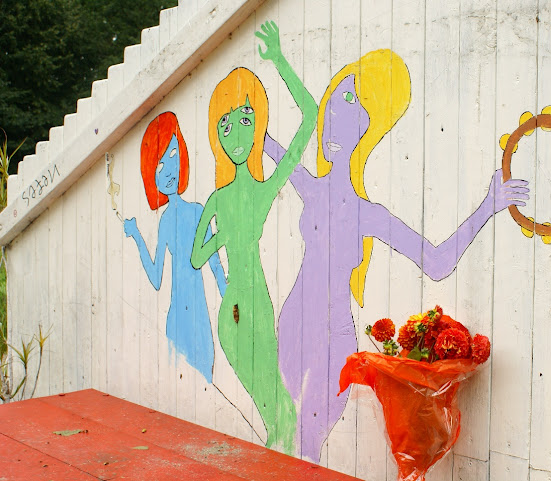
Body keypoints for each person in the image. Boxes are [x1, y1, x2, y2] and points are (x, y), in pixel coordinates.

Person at [263, 49, 530, 461]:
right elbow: (271, 146)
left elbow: (436, 262)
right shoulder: (312, 188)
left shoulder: (368, 214)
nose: (333, 115)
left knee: (309, 445)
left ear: (367, 127)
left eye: (350, 102)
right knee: (279, 433)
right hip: (295, 320)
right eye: (334, 102)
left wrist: (488, 206)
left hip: (334, 336)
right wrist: (276, 68)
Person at [190, 21, 317, 455]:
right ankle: (279, 439)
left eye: (246, 120)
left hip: (256, 303)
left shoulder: (262, 191)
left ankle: (281, 446)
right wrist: (220, 238)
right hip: (230, 314)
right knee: (266, 396)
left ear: (259, 125)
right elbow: (196, 256)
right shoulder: (218, 198)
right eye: (226, 125)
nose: (237, 134)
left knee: (276, 397)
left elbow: (310, 117)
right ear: (217, 135)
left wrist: (279, 60)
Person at [124, 111, 226, 384]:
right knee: (178, 386)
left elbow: (215, 265)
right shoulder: (166, 221)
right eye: (159, 165)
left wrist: (231, 302)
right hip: (176, 320)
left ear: (182, 155)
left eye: (172, 154)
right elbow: (157, 278)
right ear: (152, 176)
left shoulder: (198, 212)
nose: (168, 170)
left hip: (199, 316)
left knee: (204, 377)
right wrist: (137, 237)